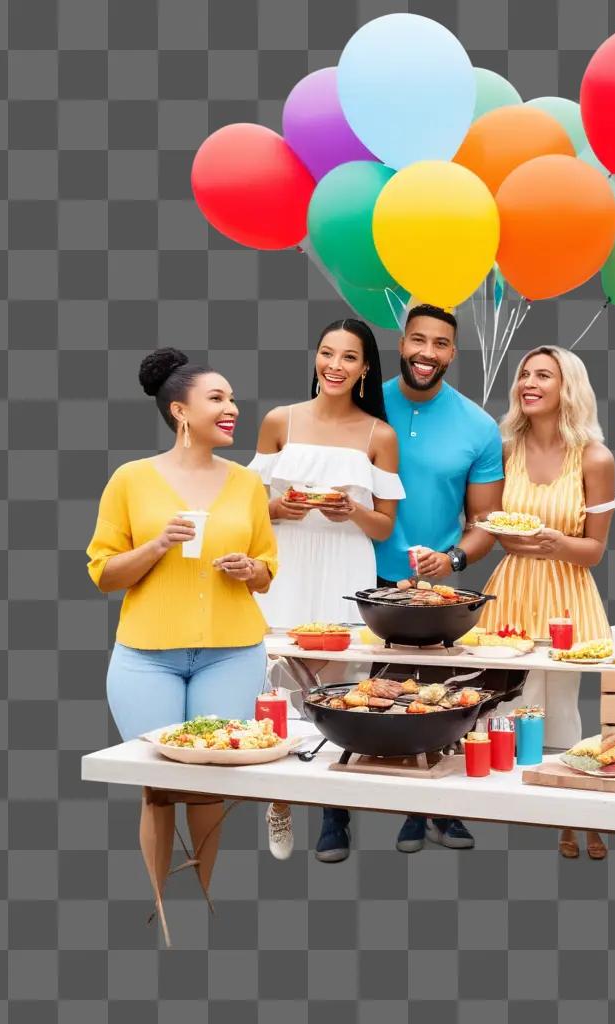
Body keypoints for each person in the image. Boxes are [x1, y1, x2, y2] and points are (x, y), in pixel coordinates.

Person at [315, 303, 504, 862]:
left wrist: (452, 561)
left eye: (440, 343)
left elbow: (485, 524)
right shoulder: (362, 404)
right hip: (351, 570)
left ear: (452, 353)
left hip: (427, 591)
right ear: (400, 344)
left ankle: (426, 808)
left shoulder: (478, 425)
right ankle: (333, 812)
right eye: (417, 340)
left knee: (427, 698)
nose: (427, 353)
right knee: (336, 693)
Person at [87, 349, 278, 847]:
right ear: (180, 410)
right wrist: (157, 545)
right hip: (147, 658)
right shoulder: (130, 479)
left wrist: (249, 568)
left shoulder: (248, 483)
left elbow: (266, 572)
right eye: (216, 397)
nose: (232, 407)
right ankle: (161, 910)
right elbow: (104, 574)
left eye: (233, 398)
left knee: (211, 783)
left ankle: (206, 900)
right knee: (159, 788)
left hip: (232, 653)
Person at [248, 318, 402, 861]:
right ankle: (280, 797)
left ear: (365, 369)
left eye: (349, 357)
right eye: (327, 353)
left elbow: (384, 525)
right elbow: (248, 506)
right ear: (316, 358)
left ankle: (334, 812)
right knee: (279, 679)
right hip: (286, 561)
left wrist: (351, 509)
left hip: (344, 564)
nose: (335, 366)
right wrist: (277, 507)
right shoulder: (278, 421)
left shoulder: (377, 434)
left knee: (337, 690)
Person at [479, 346, 615, 860]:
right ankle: (528, 805)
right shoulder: (504, 449)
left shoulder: (595, 458)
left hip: (565, 591)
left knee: (561, 707)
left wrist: (557, 544)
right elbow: (494, 528)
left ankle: (582, 812)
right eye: (524, 375)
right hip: (513, 587)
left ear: (568, 388)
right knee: (511, 704)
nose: (529, 383)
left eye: (544, 375)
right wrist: (526, 539)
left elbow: (596, 550)